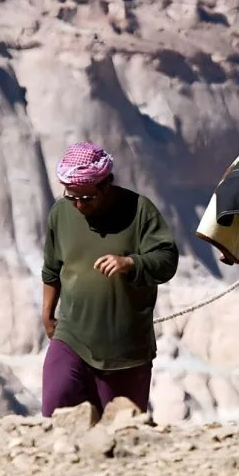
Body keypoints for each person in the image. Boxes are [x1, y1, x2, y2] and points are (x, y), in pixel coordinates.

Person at [40, 141, 179, 417]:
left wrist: (130, 262)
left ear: (106, 185)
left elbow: (167, 261)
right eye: (72, 196)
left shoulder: (140, 211)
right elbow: (52, 270)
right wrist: (47, 313)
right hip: (71, 337)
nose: (79, 204)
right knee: (54, 415)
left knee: (121, 430)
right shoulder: (61, 213)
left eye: (87, 197)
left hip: (125, 350)